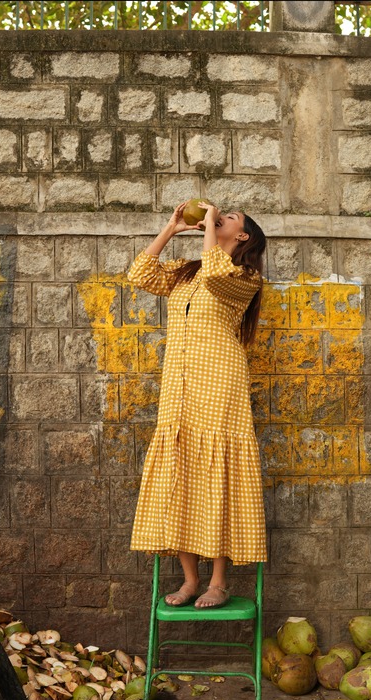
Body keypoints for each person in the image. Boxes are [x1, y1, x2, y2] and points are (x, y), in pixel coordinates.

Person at [127, 201, 267, 609]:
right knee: (181, 472)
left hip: (220, 384)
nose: (223, 215)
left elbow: (216, 272)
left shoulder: (244, 276)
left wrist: (208, 226)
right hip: (179, 386)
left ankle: (218, 582)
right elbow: (140, 274)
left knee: (217, 475)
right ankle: (190, 580)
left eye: (232, 217)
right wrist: (171, 229)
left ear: (242, 236)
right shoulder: (188, 270)